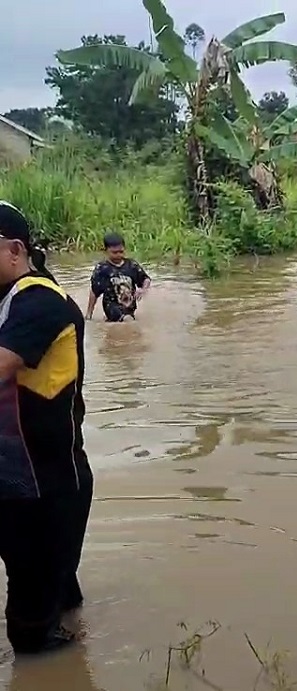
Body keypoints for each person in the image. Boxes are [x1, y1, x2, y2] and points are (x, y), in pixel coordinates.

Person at [0, 201, 93, 655]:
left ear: (15, 249)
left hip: (43, 481)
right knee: (57, 583)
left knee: (31, 622)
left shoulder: (39, 299)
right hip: (21, 477)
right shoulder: (9, 299)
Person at [85, 231, 151, 322]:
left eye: (121, 252)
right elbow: (94, 291)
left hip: (129, 306)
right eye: (114, 252)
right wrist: (89, 314)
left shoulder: (131, 265)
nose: (118, 255)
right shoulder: (102, 269)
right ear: (105, 251)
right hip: (111, 307)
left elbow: (146, 279)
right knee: (128, 321)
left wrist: (143, 289)